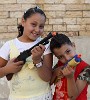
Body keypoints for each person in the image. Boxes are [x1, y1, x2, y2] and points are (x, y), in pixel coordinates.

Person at [0, 6, 53, 100]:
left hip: (43, 96)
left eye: (41, 26)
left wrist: (37, 60)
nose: (37, 30)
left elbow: (47, 78)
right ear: (23, 21)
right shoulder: (9, 46)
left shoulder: (45, 46)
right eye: (33, 24)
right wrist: (8, 69)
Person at [50, 33, 90, 100]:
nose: (67, 58)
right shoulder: (60, 64)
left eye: (68, 51)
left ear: (73, 46)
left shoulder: (85, 68)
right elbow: (49, 83)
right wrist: (55, 73)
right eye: (60, 57)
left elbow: (73, 97)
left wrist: (70, 77)